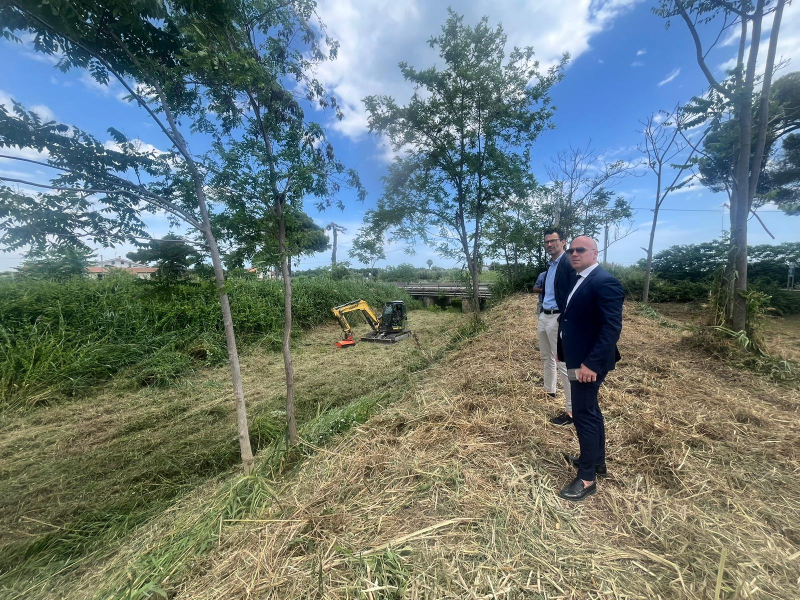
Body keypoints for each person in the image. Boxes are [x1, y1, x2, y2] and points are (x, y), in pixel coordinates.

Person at [556, 236, 624, 501]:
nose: (574, 253)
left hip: (589, 364)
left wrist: (591, 364)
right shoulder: (579, 279)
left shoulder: (605, 282)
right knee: (590, 411)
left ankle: (586, 480)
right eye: (572, 250)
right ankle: (596, 461)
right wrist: (565, 353)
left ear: (595, 253)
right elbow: (572, 319)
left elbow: (611, 329)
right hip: (578, 359)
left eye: (580, 250)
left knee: (583, 414)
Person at [537, 227, 577, 426]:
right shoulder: (551, 265)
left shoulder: (568, 263)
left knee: (563, 362)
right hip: (544, 315)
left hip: (558, 317)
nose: (549, 244)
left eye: (553, 241)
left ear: (563, 241)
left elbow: (574, 292)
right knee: (547, 357)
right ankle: (549, 390)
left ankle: (571, 411)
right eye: (547, 242)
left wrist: (566, 317)